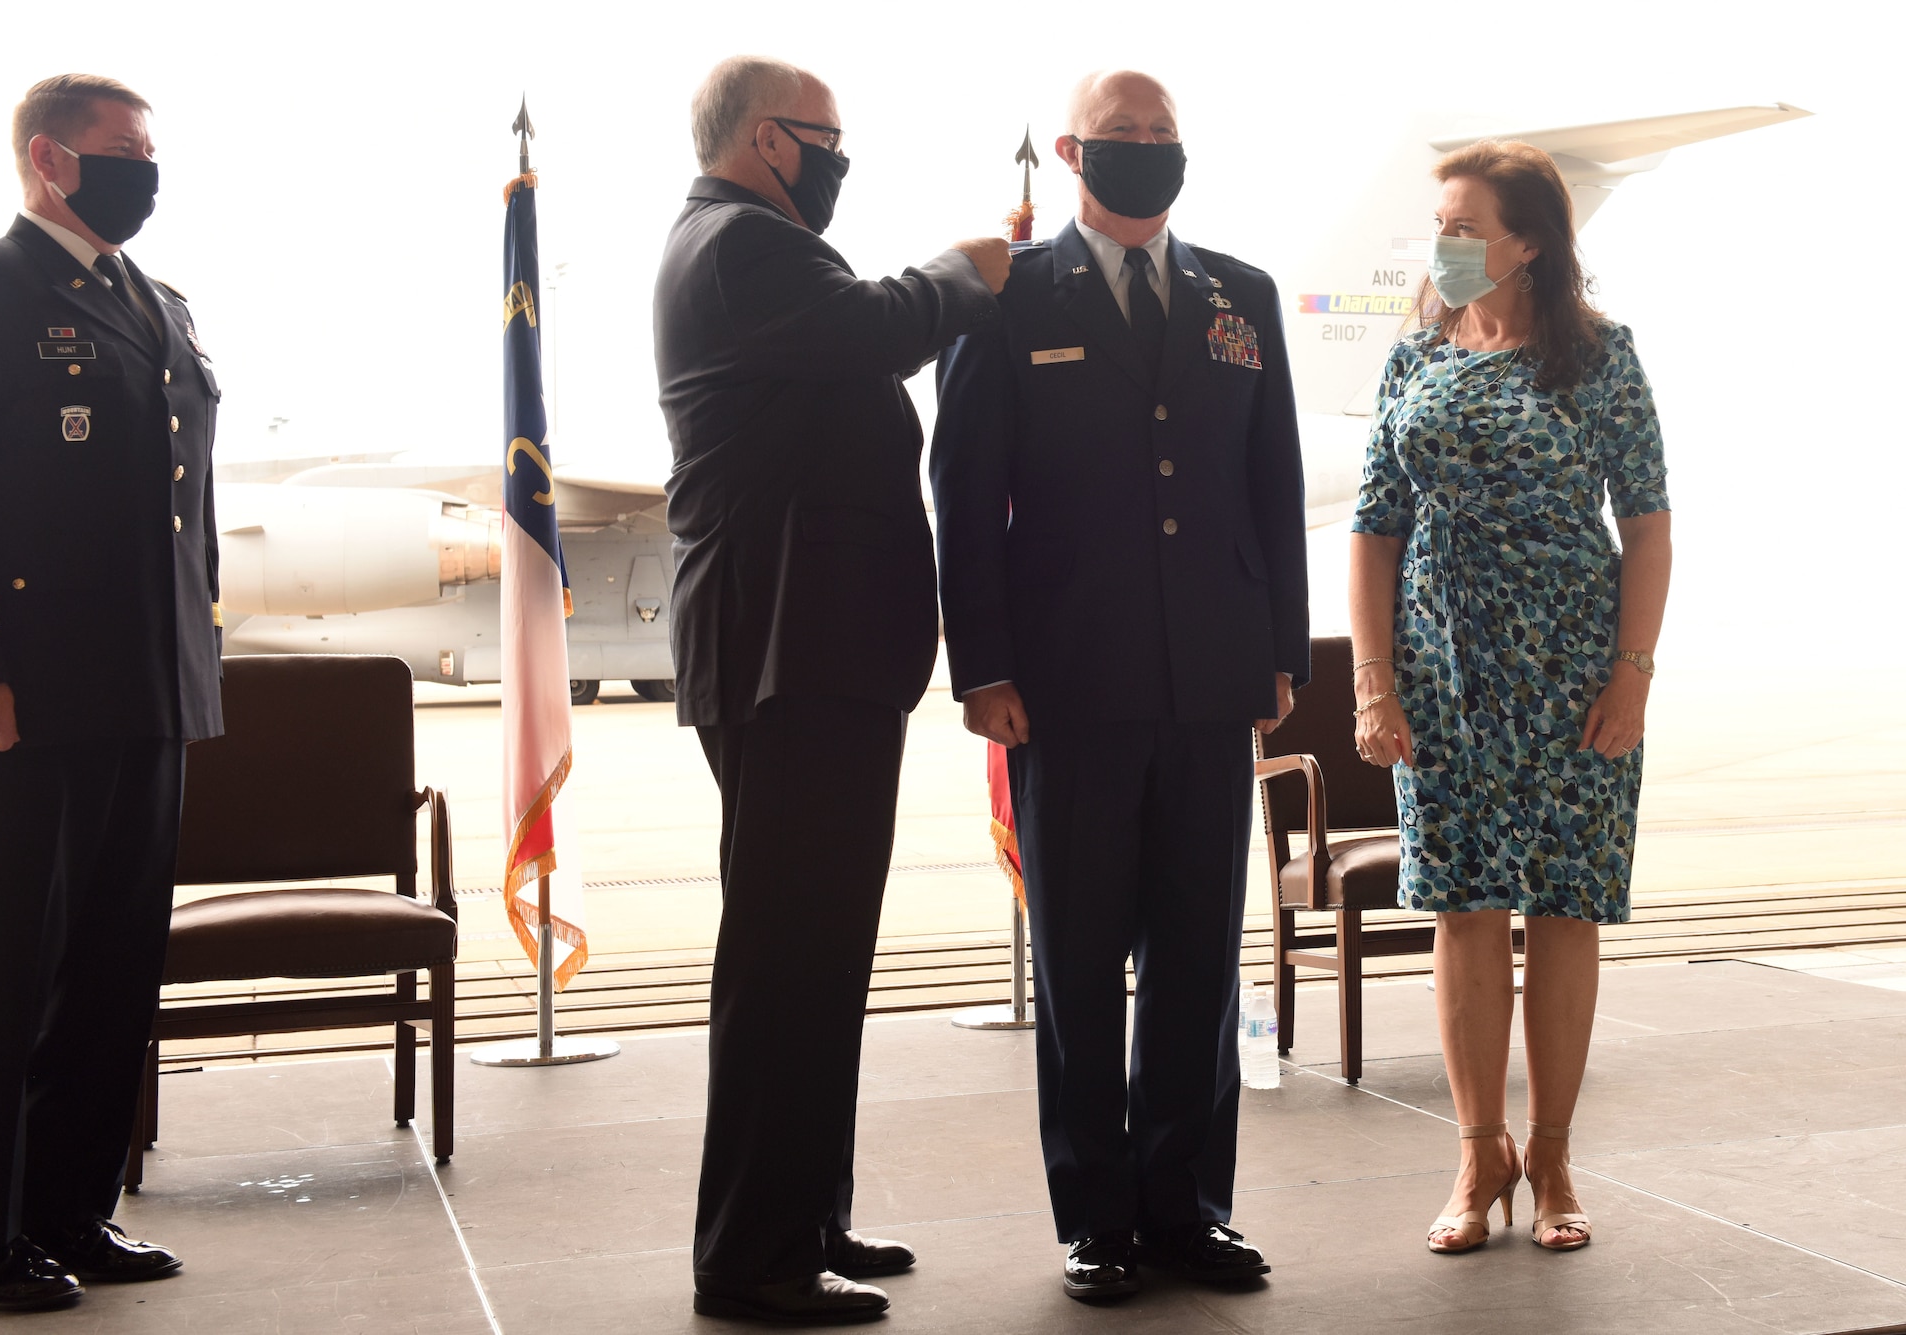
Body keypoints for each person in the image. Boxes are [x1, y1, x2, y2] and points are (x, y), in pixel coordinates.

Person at [931, 70, 1308, 1303]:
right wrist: (980, 666)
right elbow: (964, 499)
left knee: (1198, 959)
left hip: (1209, 678)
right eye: (1123, 135)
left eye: (1163, 136)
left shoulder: (1237, 296)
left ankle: (1187, 1210)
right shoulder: (1004, 299)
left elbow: (1272, 484)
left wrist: (1280, 651)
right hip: (1067, 683)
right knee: (1082, 964)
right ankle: (1095, 1217)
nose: (1145, 151)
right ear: (1072, 149)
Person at [652, 55, 1011, 1325]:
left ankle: (805, 1215)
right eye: (828, 137)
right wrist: (968, 268)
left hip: (813, 651)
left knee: (819, 956)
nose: (838, 157)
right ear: (766, 139)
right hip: (784, 652)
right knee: (785, 957)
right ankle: (750, 1258)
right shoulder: (741, 244)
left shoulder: (748, 243)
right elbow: (879, 324)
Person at [0, 74, 223, 1310]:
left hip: (145, 692)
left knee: (108, 968)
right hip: (17, 700)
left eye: (150, 151)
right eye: (123, 152)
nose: (147, 171)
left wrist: (187, 676)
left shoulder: (161, 305)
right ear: (48, 159)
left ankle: (72, 1213)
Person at [1347, 139, 1671, 1255]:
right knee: (1463, 908)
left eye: (1463, 227)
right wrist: (1372, 682)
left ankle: (1552, 1157)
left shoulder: (1599, 359)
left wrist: (1631, 674)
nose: (1442, 246)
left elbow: (1645, 524)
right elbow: (1372, 530)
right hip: (1440, 676)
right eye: (1437, 225)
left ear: (1525, 242)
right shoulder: (1413, 361)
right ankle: (1476, 1156)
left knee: (1565, 909)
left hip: (1573, 673)